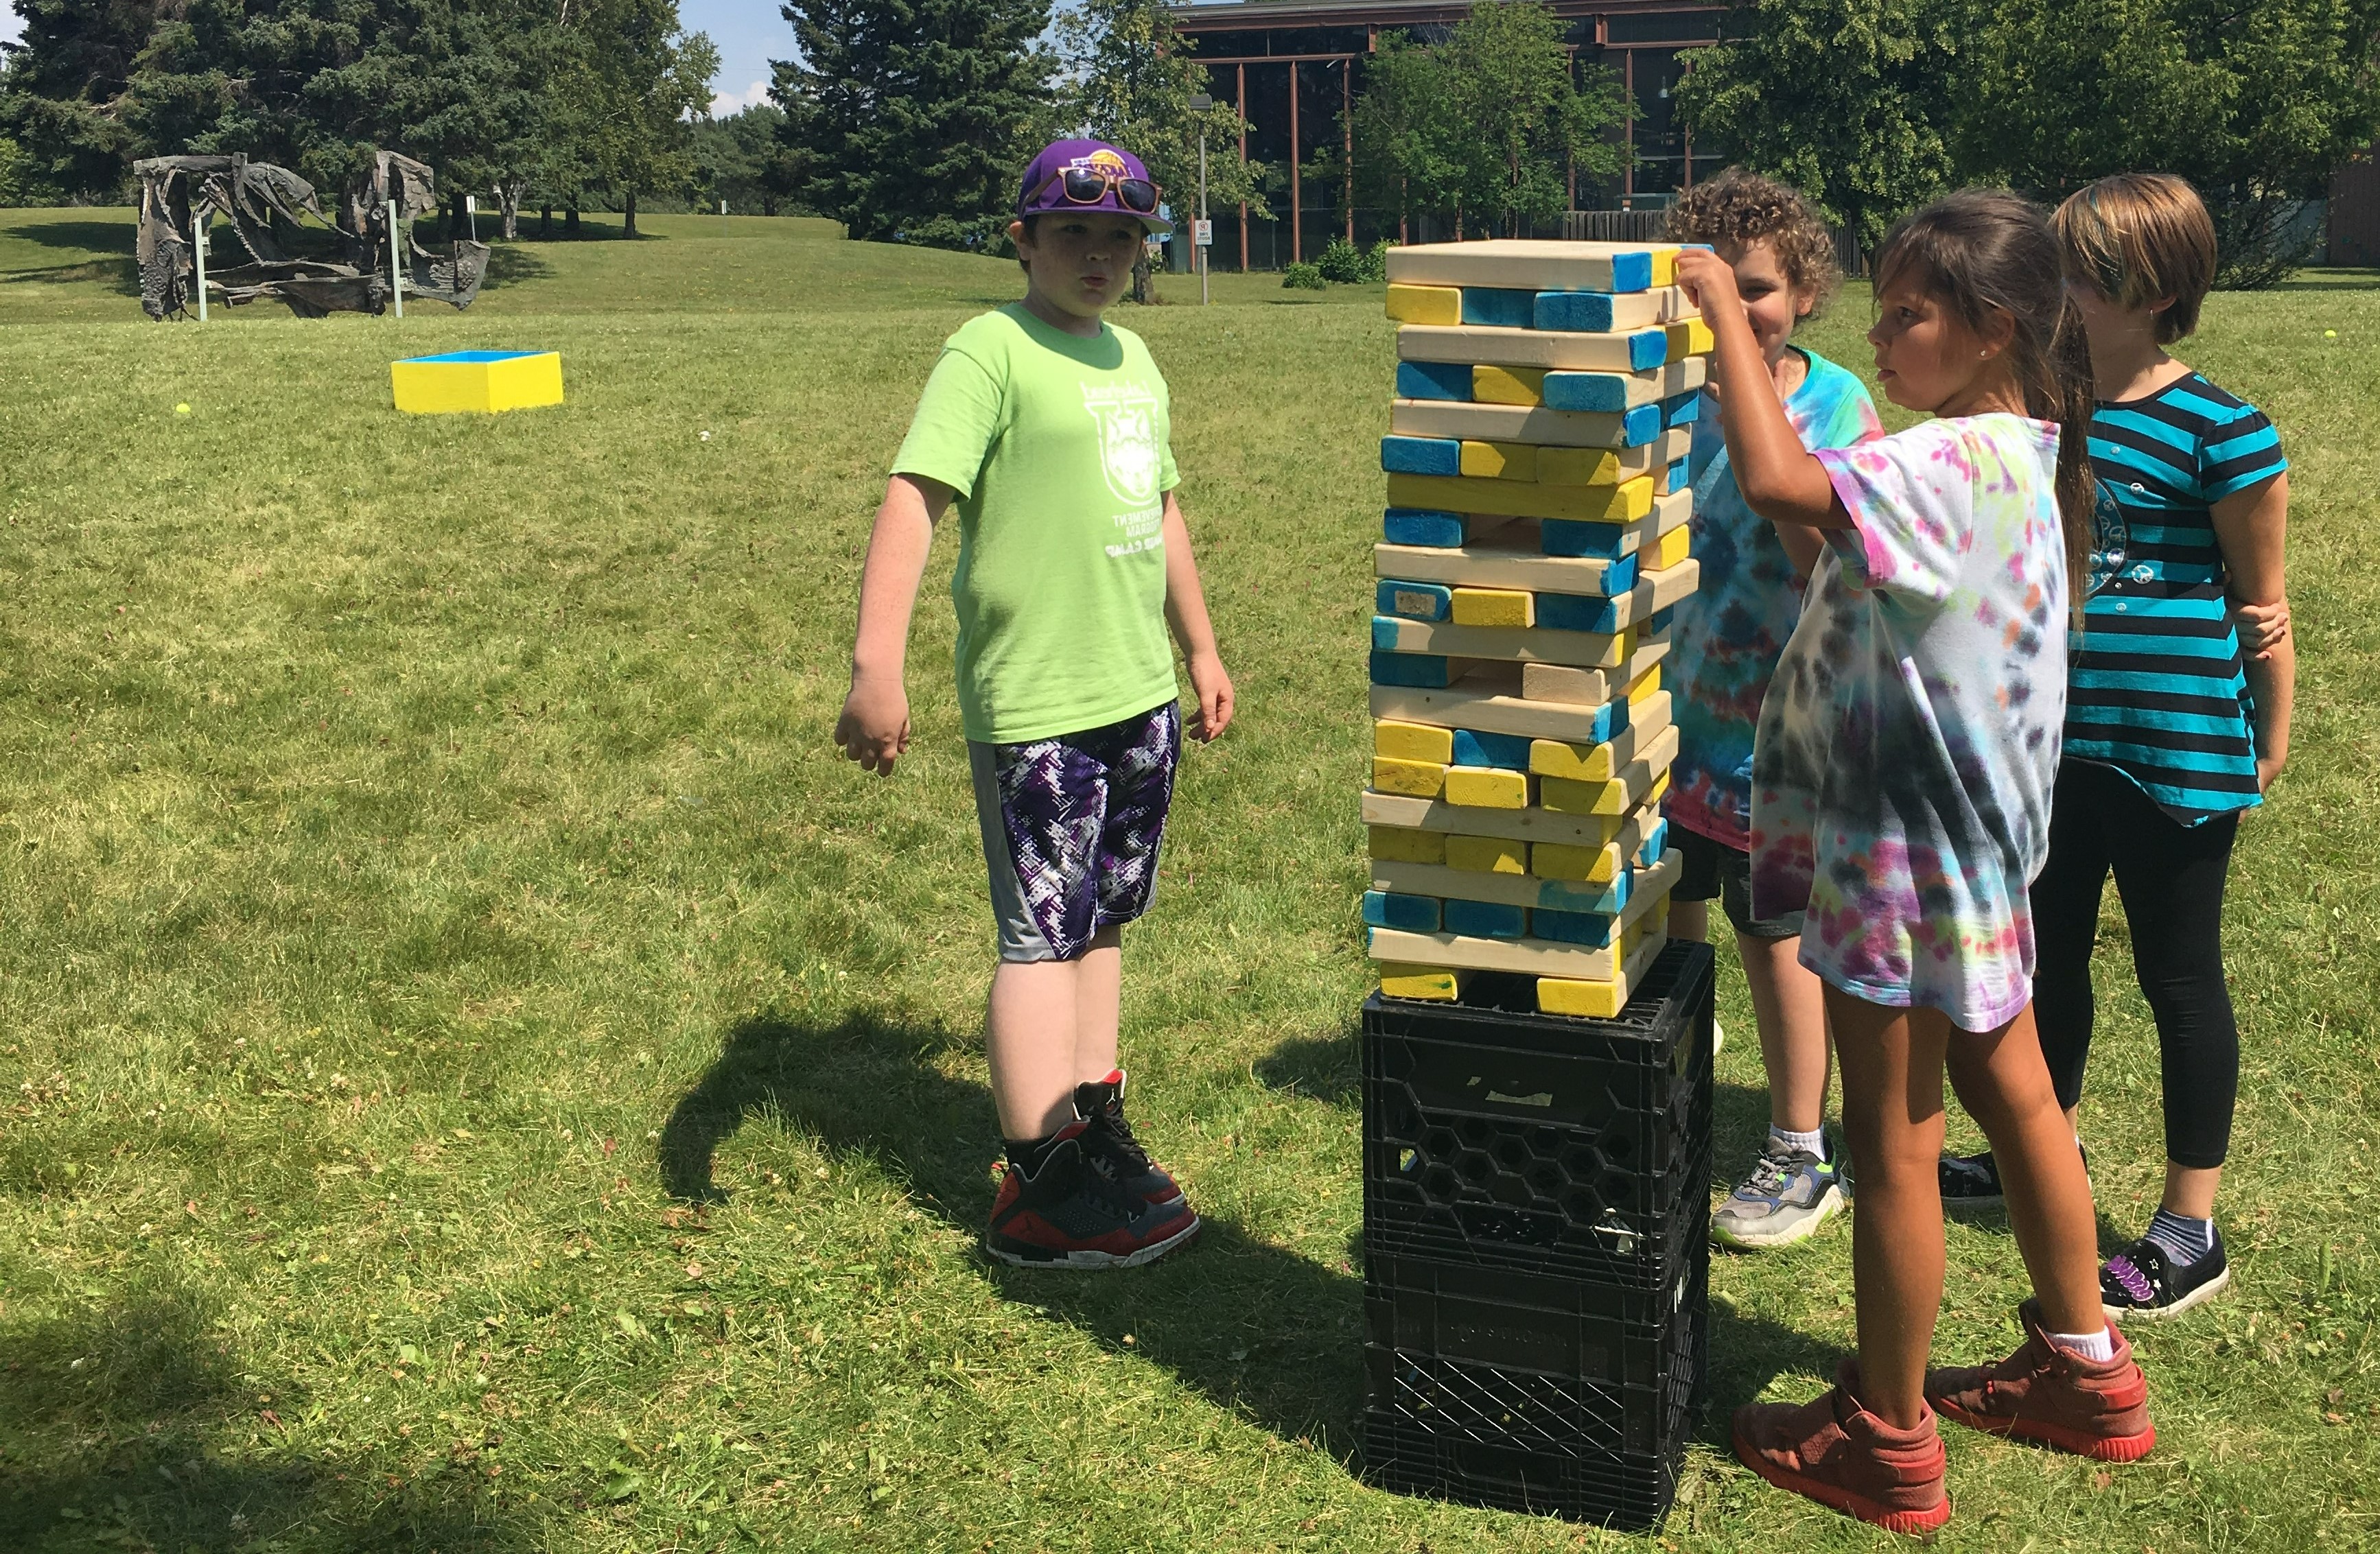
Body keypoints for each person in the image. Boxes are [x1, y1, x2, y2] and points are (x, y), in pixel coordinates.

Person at [1677, 191, 2154, 1535]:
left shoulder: (1950, 463)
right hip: (1985, 855)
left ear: (1994, 329)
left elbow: (1780, 480)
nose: (1881, 338)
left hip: (1898, 859)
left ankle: (1885, 1435)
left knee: (1891, 1140)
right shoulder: (2025, 452)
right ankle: (2084, 1369)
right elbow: (1833, 546)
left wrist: (1723, 311)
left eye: (1909, 314)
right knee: (2020, 1097)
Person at [832, 140, 1235, 1269]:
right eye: (1073, 234)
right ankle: (1036, 1183)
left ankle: (1090, 1125)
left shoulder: (1136, 359)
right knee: (1038, 935)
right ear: (1024, 239)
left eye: (1120, 238)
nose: (1098, 257)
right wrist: (878, 664)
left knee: (1104, 920)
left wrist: (1198, 647)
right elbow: (915, 500)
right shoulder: (989, 349)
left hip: (1136, 694)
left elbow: (1160, 511)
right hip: (1038, 703)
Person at [1938, 174, 2292, 1322]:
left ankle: (2191, 1226)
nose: (2061, 293)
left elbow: (2262, 605)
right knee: (2047, 963)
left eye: (2080, 275)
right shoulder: (2050, 413)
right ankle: (2048, 1155)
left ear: (2152, 289)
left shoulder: (2227, 433)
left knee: (2178, 974)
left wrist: (2268, 733)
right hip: (2048, 743)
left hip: (2178, 746)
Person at [1661, 169, 1884, 1251]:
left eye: (1759, 290)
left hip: (1779, 736)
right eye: (1716, 287)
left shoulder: (1834, 402)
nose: (1735, 311)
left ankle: (1803, 1149)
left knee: (1775, 937)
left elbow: (1827, 561)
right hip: (1664, 720)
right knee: (1666, 914)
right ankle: (1665, 1086)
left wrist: (1755, 406)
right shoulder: (1657, 387)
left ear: (1803, 293)